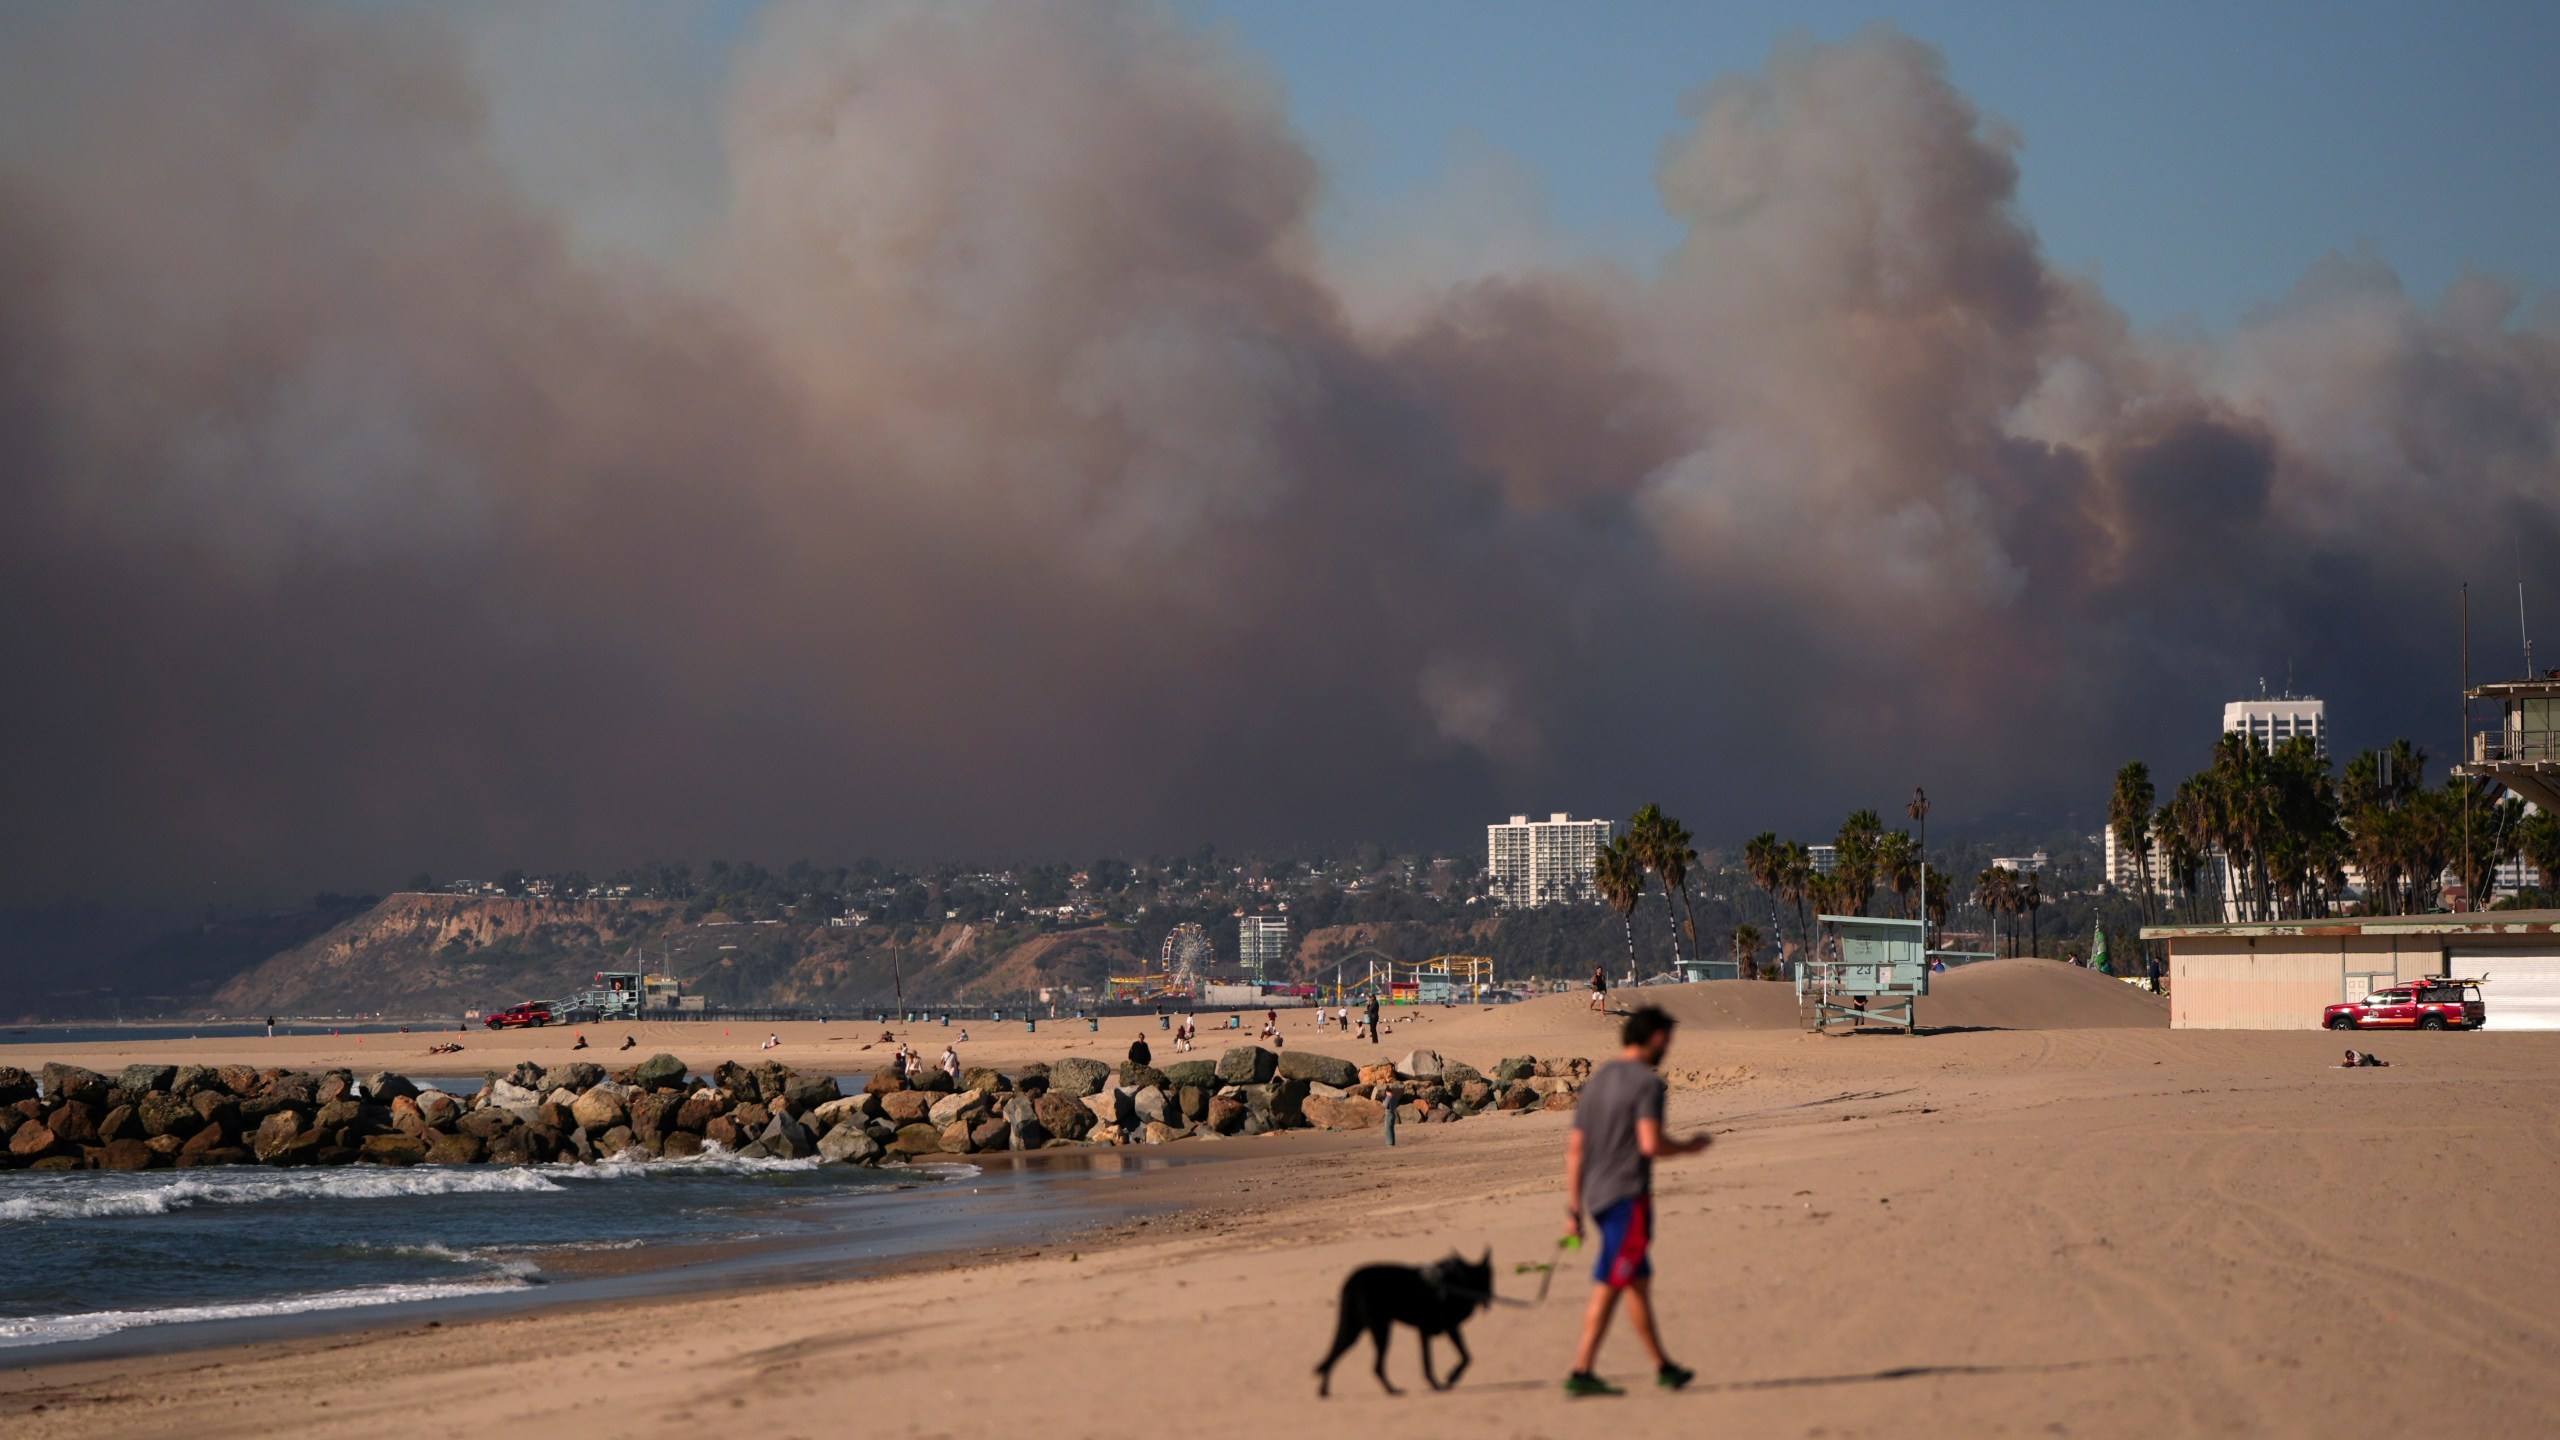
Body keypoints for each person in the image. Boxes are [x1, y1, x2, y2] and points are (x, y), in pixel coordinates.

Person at [1562, 1005, 1709, 1396]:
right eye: (1668, 1040)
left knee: (1636, 1283)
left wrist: (1573, 1209)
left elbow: (1575, 1150)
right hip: (1627, 1198)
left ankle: (1664, 1366)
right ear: (1656, 1038)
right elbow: (1650, 1143)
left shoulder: (1598, 1080)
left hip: (1596, 1198)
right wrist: (1689, 1148)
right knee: (1611, 1282)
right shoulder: (1645, 1084)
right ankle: (1580, 1371)